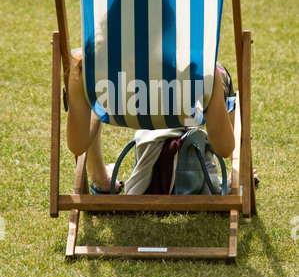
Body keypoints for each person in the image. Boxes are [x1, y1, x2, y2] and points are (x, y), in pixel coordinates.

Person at [66, 49, 236, 194]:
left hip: (118, 97)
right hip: (180, 100)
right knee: (220, 73)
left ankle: (100, 178)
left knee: (82, 67)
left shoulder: (88, 67)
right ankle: (236, 173)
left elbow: (77, 145)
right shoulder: (204, 68)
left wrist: (95, 105)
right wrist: (212, 74)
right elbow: (224, 148)